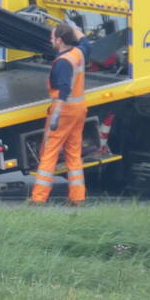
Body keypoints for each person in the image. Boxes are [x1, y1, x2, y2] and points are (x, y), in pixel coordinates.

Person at [29, 22, 91, 206]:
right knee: (73, 152)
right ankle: (77, 197)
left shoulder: (63, 62)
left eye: (53, 37)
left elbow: (64, 88)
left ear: (60, 40)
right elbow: (87, 44)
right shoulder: (78, 54)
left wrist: (56, 115)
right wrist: (77, 31)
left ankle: (38, 198)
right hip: (79, 109)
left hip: (63, 111)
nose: (51, 40)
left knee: (49, 153)